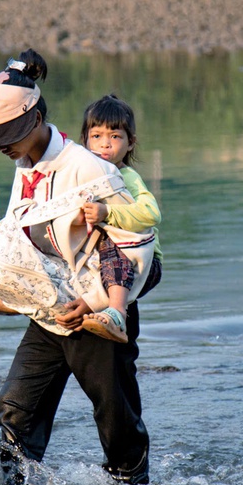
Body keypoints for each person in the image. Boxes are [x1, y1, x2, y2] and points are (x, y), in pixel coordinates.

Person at [0, 49, 153, 485]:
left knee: (115, 415)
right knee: (16, 405)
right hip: (50, 312)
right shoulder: (25, 165)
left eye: (6, 134)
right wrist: (10, 297)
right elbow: (22, 240)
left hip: (96, 314)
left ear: (34, 119)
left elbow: (139, 250)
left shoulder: (88, 167)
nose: (1, 145)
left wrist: (95, 303)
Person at [78, 94, 164, 343]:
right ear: (85, 141)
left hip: (143, 264)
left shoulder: (127, 176)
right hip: (106, 264)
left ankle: (117, 313)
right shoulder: (85, 177)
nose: (105, 144)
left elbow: (151, 213)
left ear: (130, 143)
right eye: (97, 136)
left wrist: (108, 213)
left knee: (111, 245)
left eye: (114, 137)